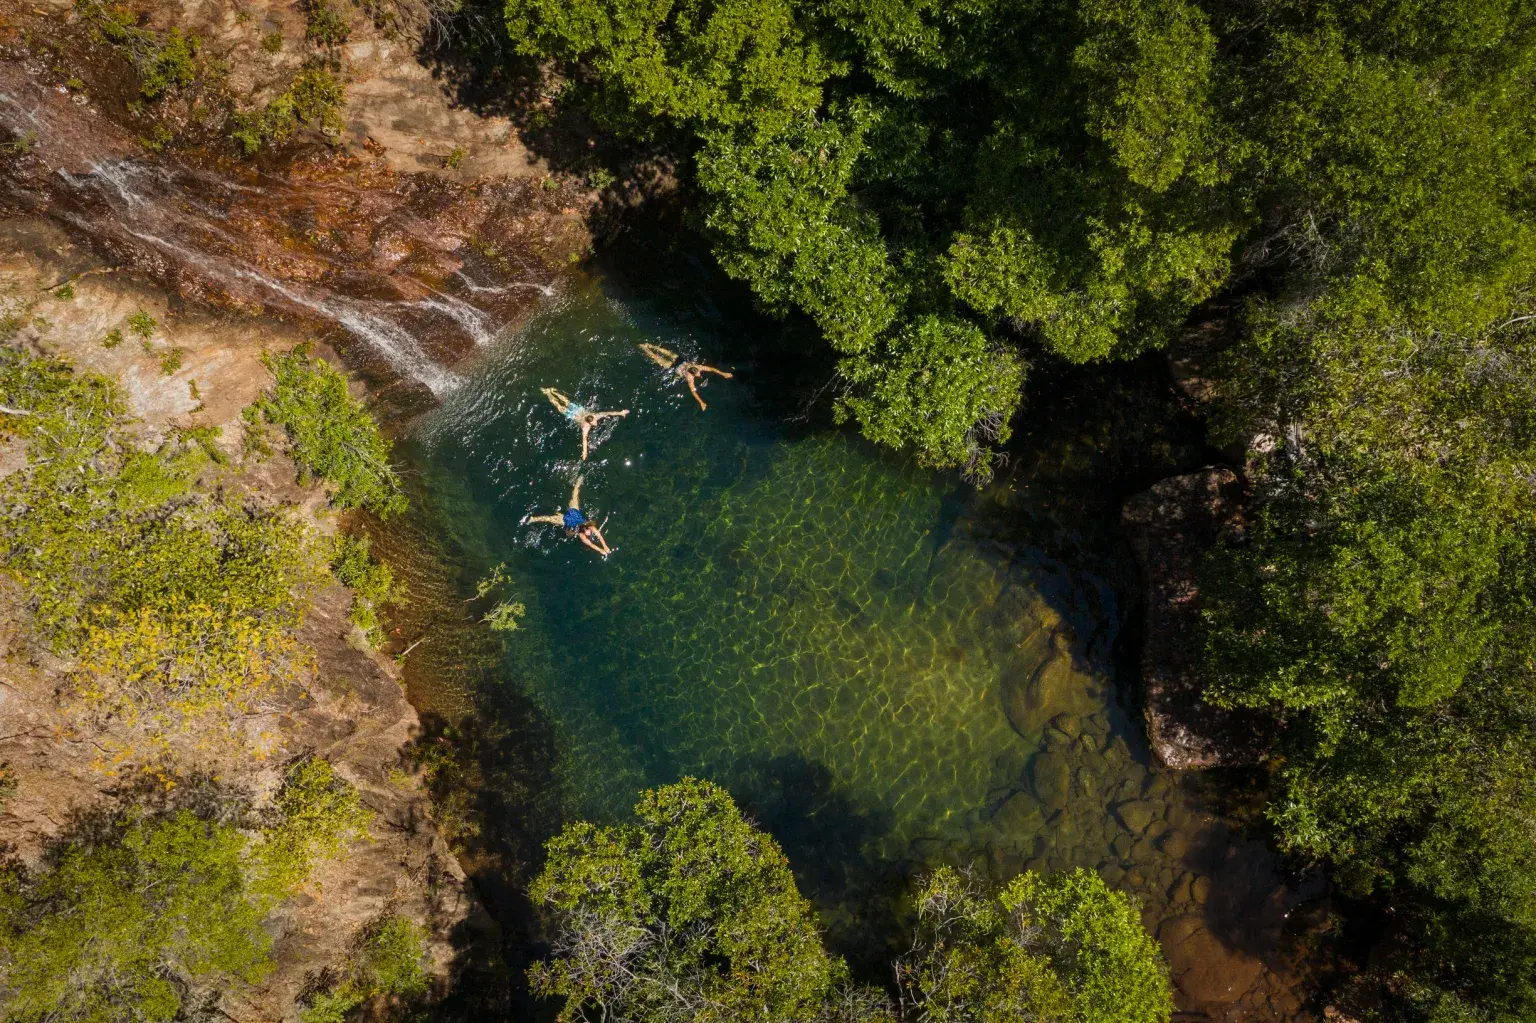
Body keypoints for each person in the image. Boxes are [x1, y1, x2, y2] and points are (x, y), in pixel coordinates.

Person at [524, 475, 612, 556]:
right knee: (550, 518)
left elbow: (599, 537)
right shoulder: (583, 534)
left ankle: (578, 482)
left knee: (574, 498)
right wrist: (600, 550)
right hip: (568, 519)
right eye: (589, 533)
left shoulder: (589, 528)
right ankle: (533, 519)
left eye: (589, 533)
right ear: (587, 528)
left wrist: (604, 547)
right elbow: (591, 544)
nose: (590, 533)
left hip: (574, 514)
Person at [637, 343, 734, 410]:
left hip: (679, 360)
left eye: (699, 373)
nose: (699, 374)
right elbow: (693, 392)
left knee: (665, 351)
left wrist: (723, 373)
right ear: (693, 373)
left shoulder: (697, 367)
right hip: (673, 365)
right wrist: (701, 402)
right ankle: (644, 347)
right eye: (698, 374)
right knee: (656, 357)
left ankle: (649, 345)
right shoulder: (689, 377)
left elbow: (712, 369)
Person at [541, 387, 629, 460]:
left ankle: (553, 391)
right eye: (593, 423)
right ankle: (548, 393)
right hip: (573, 415)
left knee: (567, 402)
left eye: (594, 421)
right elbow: (584, 440)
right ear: (588, 422)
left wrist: (620, 412)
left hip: (579, 410)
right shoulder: (585, 427)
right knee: (559, 406)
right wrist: (585, 452)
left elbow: (608, 413)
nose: (595, 423)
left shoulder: (595, 416)